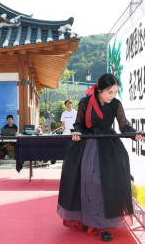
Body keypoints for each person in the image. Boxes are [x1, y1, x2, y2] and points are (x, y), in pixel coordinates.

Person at [57, 73, 145, 241]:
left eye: (115, 92)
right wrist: (76, 132)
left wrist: (134, 134)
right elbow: (79, 124)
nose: (113, 96)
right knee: (89, 183)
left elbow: (124, 125)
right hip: (87, 147)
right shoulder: (85, 102)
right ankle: (87, 219)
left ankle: (104, 224)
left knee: (107, 184)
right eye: (109, 92)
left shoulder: (116, 104)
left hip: (108, 147)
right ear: (100, 90)